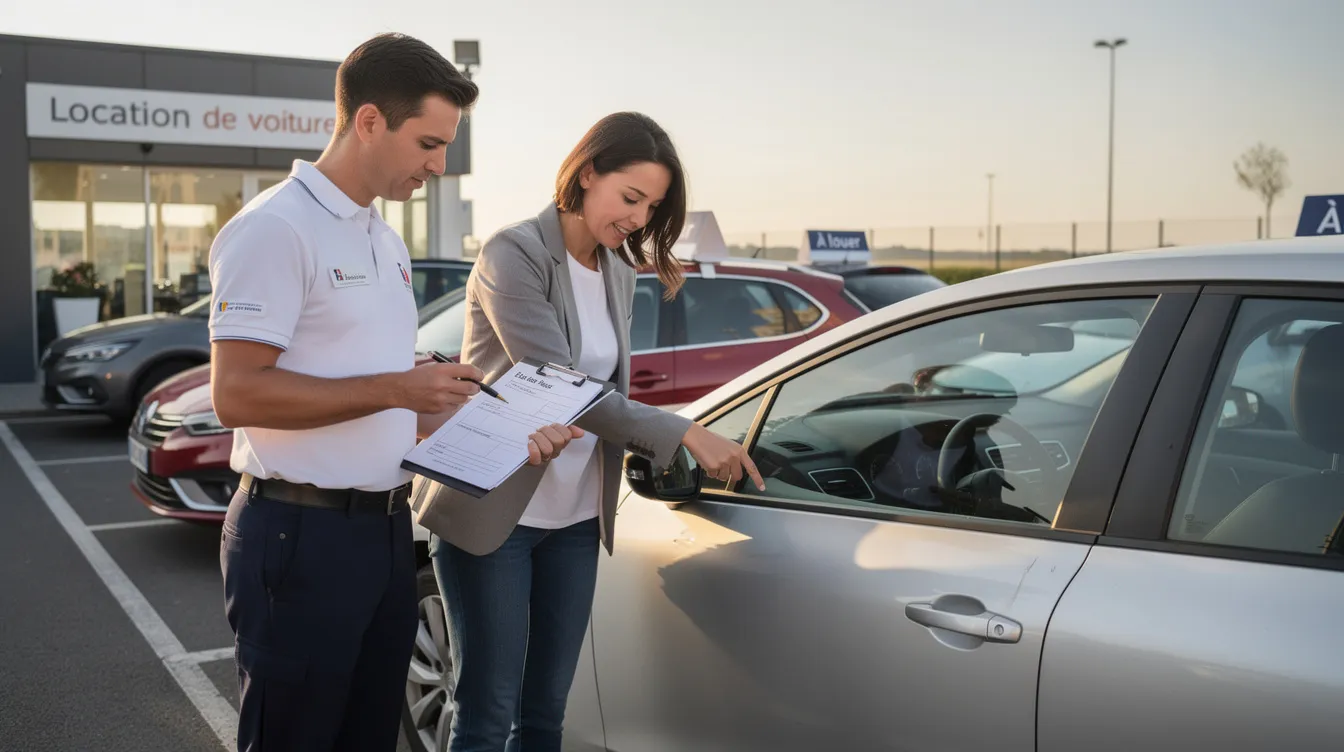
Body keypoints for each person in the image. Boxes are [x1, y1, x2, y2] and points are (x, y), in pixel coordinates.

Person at [208, 33, 582, 752]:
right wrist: (397, 387)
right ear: (370, 121)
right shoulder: (275, 230)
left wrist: (490, 426)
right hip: (300, 534)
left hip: (384, 530)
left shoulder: (384, 239)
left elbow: (387, 406)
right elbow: (238, 394)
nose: (439, 166)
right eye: (428, 144)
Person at [412, 111, 766, 752]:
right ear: (586, 172)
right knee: (488, 712)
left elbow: (610, 389)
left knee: (547, 712)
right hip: (496, 514)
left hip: (575, 520)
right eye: (631, 197)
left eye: (651, 206)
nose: (638, 218)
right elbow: (560, 382)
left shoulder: (619, 269)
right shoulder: (513, 252)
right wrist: (683, 432)